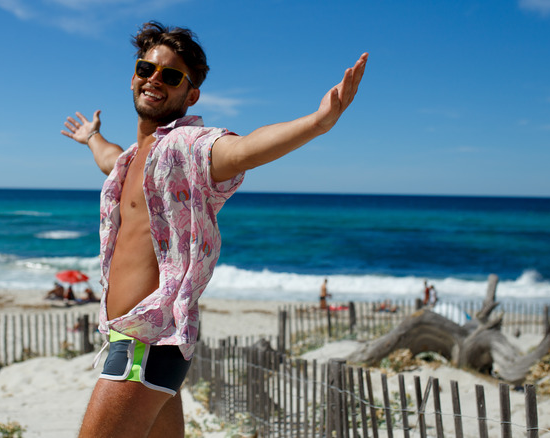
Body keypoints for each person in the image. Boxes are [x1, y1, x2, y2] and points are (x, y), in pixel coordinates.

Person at [61, 21, 367, 438]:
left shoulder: (186, 147)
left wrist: (317, 122)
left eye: (170, 76)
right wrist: (92, 137)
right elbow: (108, 158)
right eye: (146, 68)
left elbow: (242, 150)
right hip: (141, 342)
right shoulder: (130, 159)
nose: (154, 80)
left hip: (146, 344)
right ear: (133, 75)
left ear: (191, 94)